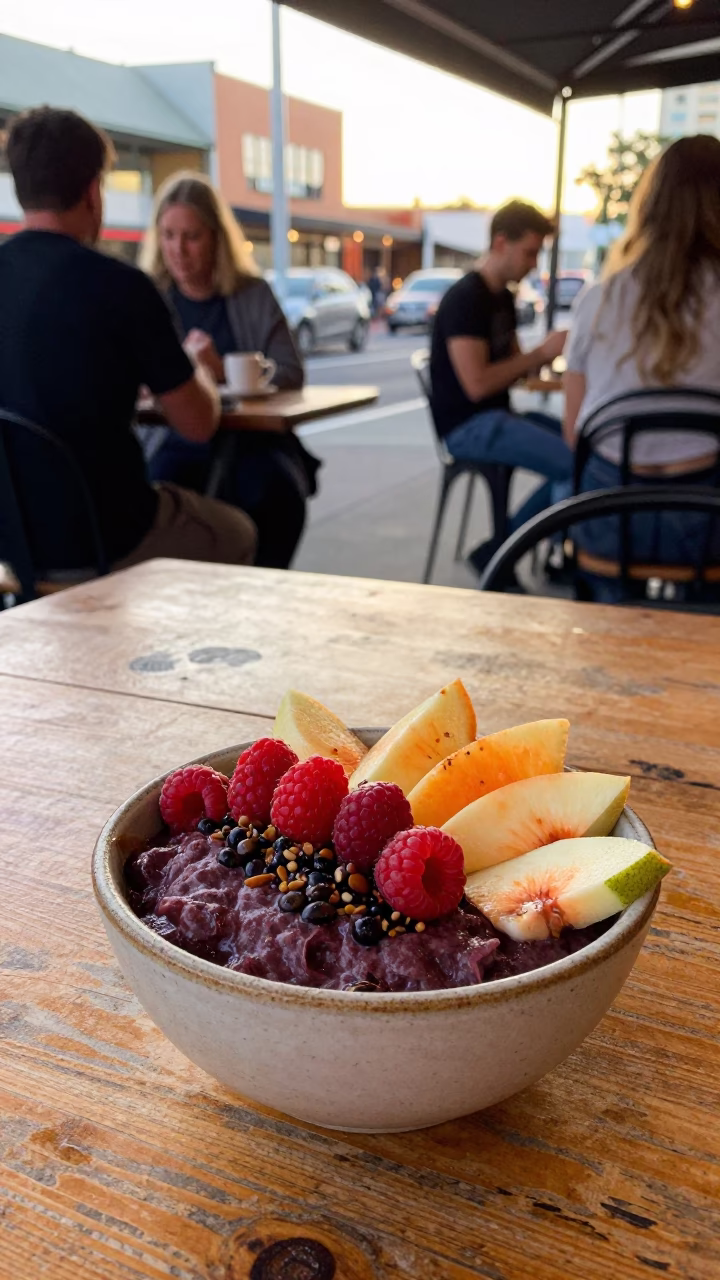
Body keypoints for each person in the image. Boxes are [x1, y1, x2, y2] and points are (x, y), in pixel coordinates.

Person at [0, 107, 255, 580]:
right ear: (93, 191)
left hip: (12, 547)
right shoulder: (122, 286)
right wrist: (198, 367)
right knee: (236, 532)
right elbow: (198, 424)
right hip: (110, 540)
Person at [564, 134, 720, 599]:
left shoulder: (596, 298)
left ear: (648, 204)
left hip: (608, 518)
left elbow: (575, 434)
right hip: (710, 522)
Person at [141, 173, 316, 569]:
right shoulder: (150, 297)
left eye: (191, 237)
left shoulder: (251, 294)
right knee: (157, 496)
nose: (178, 250)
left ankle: (260, 593)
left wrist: (223, 373)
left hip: (254, 441)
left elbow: (291, 371)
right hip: (172, 438)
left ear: (216, 238)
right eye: (168, 235)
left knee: (277, 495)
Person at [429, 200, 572, 578]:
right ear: (500, 243)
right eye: (529, 252)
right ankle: (508, 552)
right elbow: (477, 385)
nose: (533, 264)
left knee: (586, 446)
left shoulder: (503, 298)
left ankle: (502, 549)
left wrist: (555, 360)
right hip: (467, 426)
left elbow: (517, 369)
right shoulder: (465, 298)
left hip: (499, 415)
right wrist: (541, 353)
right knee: (574, 463)